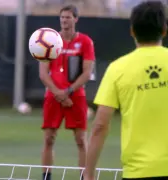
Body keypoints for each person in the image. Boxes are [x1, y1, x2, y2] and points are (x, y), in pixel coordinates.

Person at [84, 1, 168, 180]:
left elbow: (100, 126)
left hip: (139, 172)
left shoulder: (117, 69)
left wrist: (89, 172)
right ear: (164, 30)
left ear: (132, 31)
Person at [39, 5, 95, 180]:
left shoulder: (85, 42)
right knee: (49, 138)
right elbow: (43, 73)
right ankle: (46, 176)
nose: (64, 20)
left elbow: (87, 72)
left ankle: (84, 176)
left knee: (80, 139)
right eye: (62, 17)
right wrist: (58, 93)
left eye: (68, 17)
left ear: (76, 19)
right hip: (53, 95)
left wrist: (69, 91)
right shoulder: (50, 41)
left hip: (76, 95)